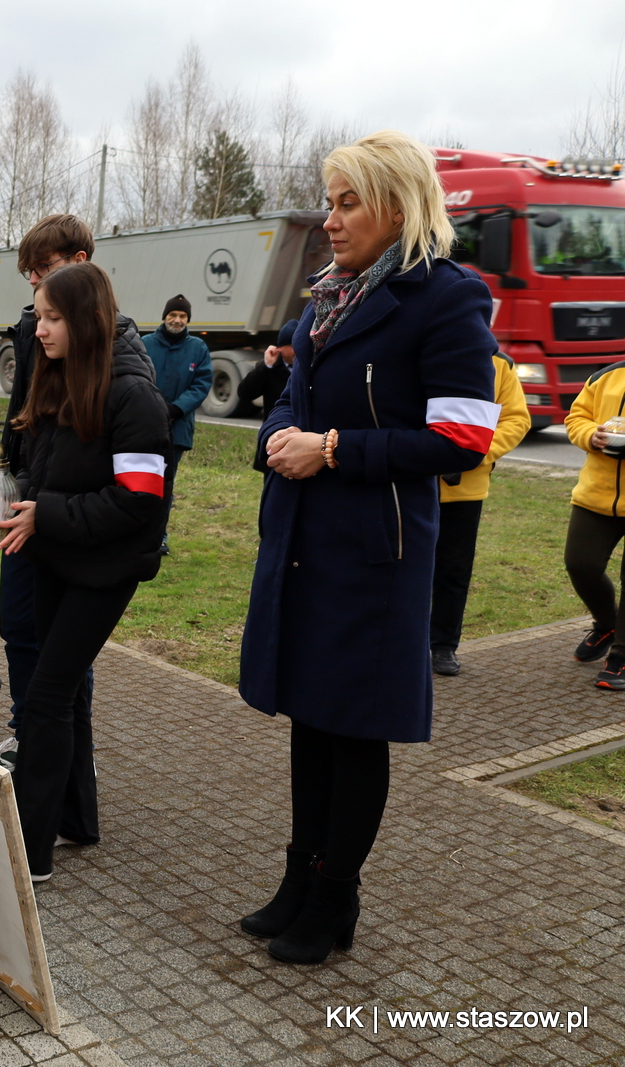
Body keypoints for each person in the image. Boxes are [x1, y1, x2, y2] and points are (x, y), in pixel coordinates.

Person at [238, 130, 498, 965]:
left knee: (355, 730)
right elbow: (294, 394)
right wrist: (282, 434)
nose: (331, 217)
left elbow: (464, 436)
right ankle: (297, 878)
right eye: (330, 199)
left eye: (349, 202)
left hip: (377, 556)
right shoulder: (330, 293)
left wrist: (336, 448)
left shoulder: (448, 299)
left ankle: (335, 896)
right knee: (309, 719)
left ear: (398, 205)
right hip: (309, 542)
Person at [0, 262, 169, 883]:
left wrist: (49, 515)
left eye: (52, 318)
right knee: (59, 697)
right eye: (38, 316)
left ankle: (30, 853)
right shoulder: (56, 377)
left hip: (104, 570)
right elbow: (45, 474)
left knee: (43, 701)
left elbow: (141, 500)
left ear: (86, 321)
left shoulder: (133, 394)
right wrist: (9, 506)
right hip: (54, 558)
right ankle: (76, 819)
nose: (39, 330)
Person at [0, 214, 153, 771]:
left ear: (82, 265)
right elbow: (31, 429)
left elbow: (136, 493)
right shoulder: (36, 330)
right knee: (20, 633)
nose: (36, 285)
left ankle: (40, 760)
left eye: (45, 271)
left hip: (70, 535)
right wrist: (3, 485)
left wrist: (47, 511)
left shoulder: (122, 367)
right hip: (34, 513)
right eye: (30, 276)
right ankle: (43, 759)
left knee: (58, 673)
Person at [430, 352, 530, 676]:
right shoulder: (420, 348)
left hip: (465, 489)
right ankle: (401, 641)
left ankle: (443, 645)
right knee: (403, 564)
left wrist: (476, 451)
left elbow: (517, 419)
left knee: (453, 569)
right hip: (407, 482)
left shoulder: (500, 364)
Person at [562, 360, 625, 684]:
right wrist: (592, 435)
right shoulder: (604, 377)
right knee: (580, 564)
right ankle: (607, 624)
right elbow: (576, 418)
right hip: (596, 496)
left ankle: (621, 657)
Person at [141, 294, 211, 552]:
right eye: (173, 315)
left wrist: (176, 408)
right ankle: (135, 531)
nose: (177, 320)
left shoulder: (198, 349)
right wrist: (150, 408)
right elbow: (135, 376)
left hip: (176, 428)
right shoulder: (145, 343)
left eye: (182, 316)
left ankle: (158, 536)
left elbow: (202, 384)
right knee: (138, 479)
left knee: (164, 484)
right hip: (143, 425)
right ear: (165, 316)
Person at [239, 319, 298, 419]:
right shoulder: (269, 368)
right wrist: (266, 366)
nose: (297, 350)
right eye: (292, 346)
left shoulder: (310, 367)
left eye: (300, 345)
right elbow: (245, 394)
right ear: (279, 348)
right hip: (275, 425)